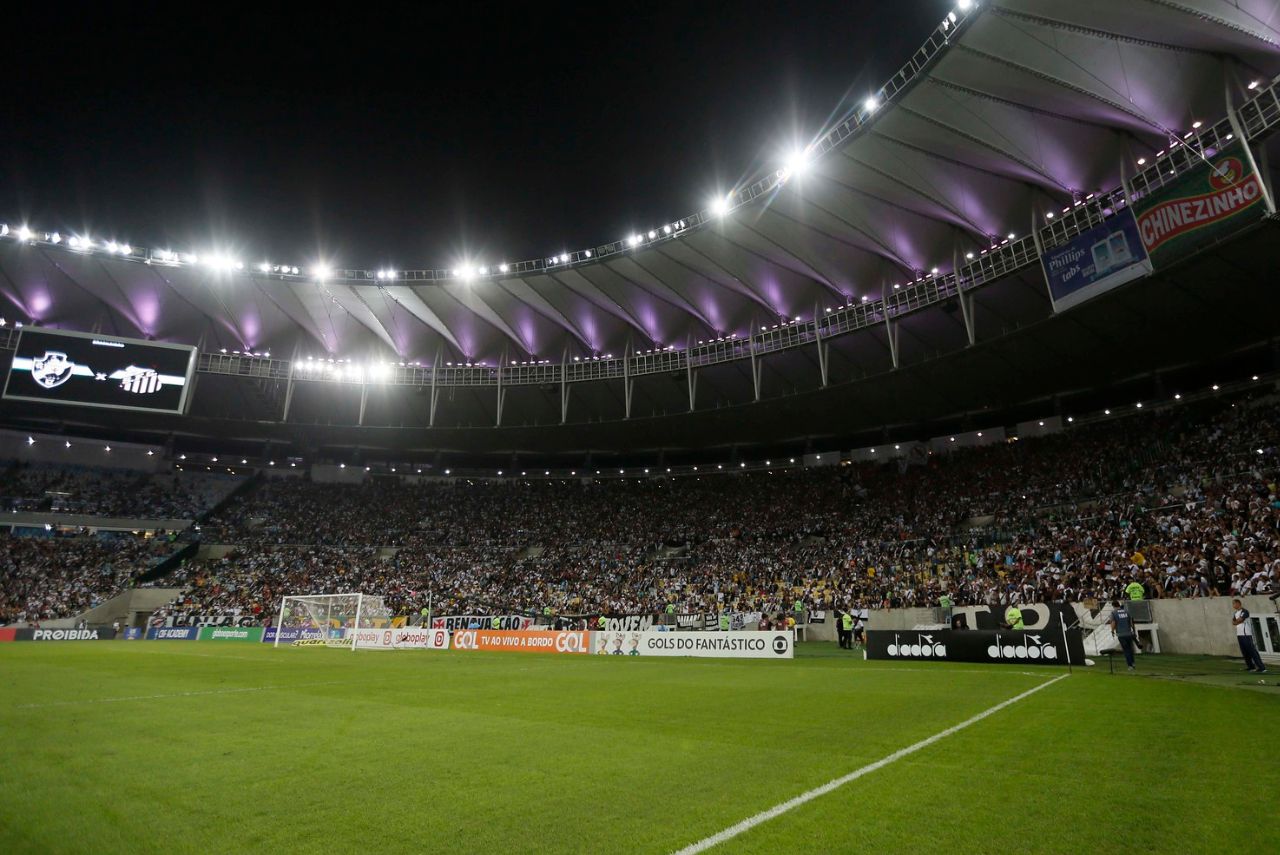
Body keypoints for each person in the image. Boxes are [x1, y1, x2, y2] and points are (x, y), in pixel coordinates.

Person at [1232, 599, 1267, 673]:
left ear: (1238, 603)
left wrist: (1237, 621)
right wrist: (1237, 621)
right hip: (1239, 634)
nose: (1233, 605)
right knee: (1244, 652)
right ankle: (1250, 667)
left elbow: (1240, 620)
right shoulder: (1235, 613)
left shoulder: (1244, 611)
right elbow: (1233, 622)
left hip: (1246, 634)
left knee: (1252, 651)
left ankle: (1262, 667)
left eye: (1234, 604)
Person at [1109, 600, 1137, 672]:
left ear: (1113, 606)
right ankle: (1133, 663)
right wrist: (1133, 630)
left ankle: (1130, 665)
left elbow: (1113, 622)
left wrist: (1112, 630)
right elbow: (1130, 622)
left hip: (1121, 634)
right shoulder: (1126, 611)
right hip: (1129, 633)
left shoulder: (1113, 613)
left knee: (1126, 650)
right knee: (1130, 649)